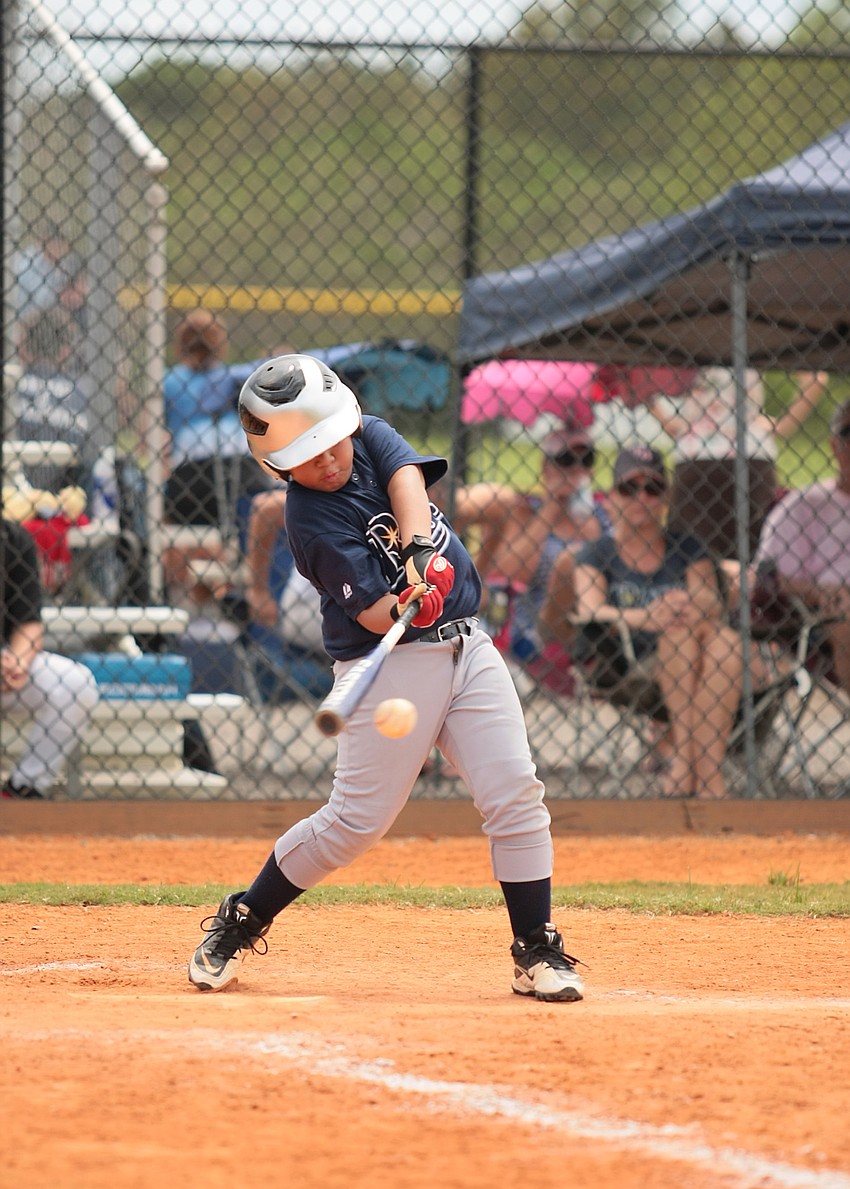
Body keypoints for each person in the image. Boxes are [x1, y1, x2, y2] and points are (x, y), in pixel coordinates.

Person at [187, 353, 584, 1003]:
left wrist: (420, 549)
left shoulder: (367, 433)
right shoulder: (308, 521)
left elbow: (405, 477)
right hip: (392, 662)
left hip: (469, 646)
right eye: (307, 457)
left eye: (330, 440)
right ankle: (242, 917)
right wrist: (406, 602)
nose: (329, 460)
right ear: (280, 466)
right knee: (355, 823)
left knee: (515, 791)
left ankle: (535, 947)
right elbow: (371, 610)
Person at [572, 444, 770, 801]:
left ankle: (688, 766)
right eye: (629, 488)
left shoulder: (686, 547)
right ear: (611, 498)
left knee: (717, 641)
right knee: (686, 636)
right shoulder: (596, 553)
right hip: (637, 664)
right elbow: (590, 609)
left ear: (665, 498)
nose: (641, 497)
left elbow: (710, 601)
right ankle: (708, 776)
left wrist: (684, 603)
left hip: (706, 657)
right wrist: (644, 617)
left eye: (652, 488)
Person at [646, 368, 828, 559]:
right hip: (751, 452)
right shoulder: (758, 338)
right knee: (755, 556)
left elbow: (639, 380)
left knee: (690, 558)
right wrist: (779, 425)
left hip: (695, 454)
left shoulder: (688, 339)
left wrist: (673, 423)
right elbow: (816, 379)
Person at [162, 310, 276, 602]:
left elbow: (159, 443)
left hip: (189, 476)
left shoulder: (170, 381)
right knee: (240, 524)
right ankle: (237, 591)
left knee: (176, 523)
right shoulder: (234, 378)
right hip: (242, 470)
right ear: (220, 344)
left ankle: (186, 593)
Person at [753, 396, 850, 699]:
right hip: (823, 622)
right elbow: (769, 579)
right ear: (835, 445)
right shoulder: (803, 507)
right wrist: (819, 592)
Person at [1, 519, 99, 799]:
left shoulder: (12, 538)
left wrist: (18, 663)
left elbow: (28, 621)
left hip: (3, 662)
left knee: (75, 683)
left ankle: (24, 788)